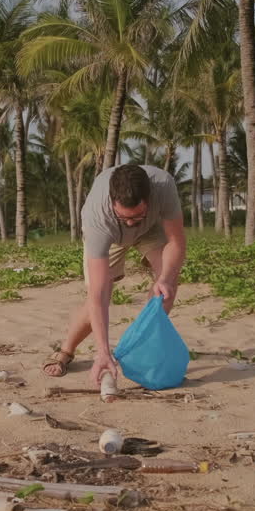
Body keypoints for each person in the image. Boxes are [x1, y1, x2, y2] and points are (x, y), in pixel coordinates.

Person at [42, 164, 186, 387]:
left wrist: (165, 278)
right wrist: (102, 352)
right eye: (124, 217)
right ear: (111, 202)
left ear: (149, 198)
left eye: (136, 215)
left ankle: (137, 348)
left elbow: (176, 242)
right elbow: (97, 295)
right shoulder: (96, 217)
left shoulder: (164, 185)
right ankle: (66, 350)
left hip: (150, 230)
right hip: (111, 236)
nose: (130, 223)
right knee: (100, 297)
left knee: (166, 288)